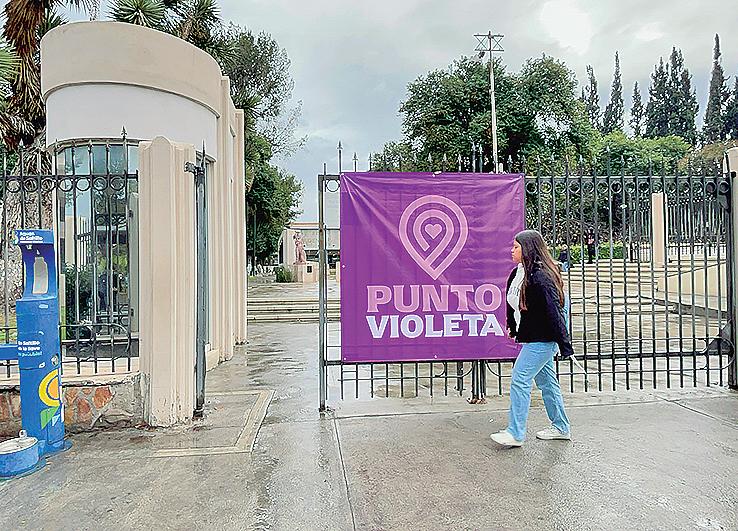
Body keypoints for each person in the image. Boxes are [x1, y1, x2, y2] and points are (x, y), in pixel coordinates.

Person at [490, 229, 573, 448]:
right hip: (532, 336)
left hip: (543, 339)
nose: (512, 250)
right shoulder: (518, 273)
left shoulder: (541, 276)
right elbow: (511, 303)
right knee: (547, 382)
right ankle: (561, 427)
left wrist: (564, 345)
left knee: (520, 378)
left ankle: (515, 433)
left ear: (527, 249)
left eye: (516, 247)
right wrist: (512, 326)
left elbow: (556, 311)